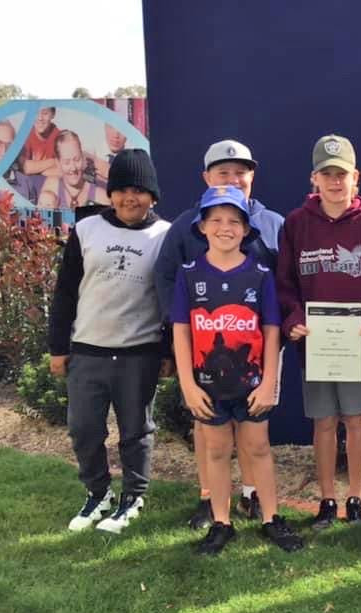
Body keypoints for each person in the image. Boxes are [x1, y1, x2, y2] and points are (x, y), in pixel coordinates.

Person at [154, 139, 284, 530]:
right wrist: (186, 326)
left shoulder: (274, 223)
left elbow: (287, 285)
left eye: (240, 171)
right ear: (206, 177)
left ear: (252, 175)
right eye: (223, 172)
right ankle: (211, 501)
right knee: (210, 428)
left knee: (255, 430)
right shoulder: (186, 225)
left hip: (258, 348)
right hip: (205, 345)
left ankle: (252, 494)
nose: (233, 178)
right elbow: (165, 276)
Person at [172, 184, 303, 555]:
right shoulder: (189, 274)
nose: (224, 227)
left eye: (234, 221)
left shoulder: (260, 275)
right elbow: (181, 332)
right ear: (202, 226)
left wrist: (269, 385)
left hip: (252, 384)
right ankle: (221, 523)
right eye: (216, 219)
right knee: (216, 450)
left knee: (258, 447)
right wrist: (187, 384)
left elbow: (272, 330)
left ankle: (272, 518)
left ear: (246, 229)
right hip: (208, 385)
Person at [48, 149, 171, 534]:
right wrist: (58, 347)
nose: (129, 198)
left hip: (139, 353)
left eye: (138, 190)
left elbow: (170, 301)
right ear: (110, 193)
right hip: (88, 351)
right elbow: (66, 293)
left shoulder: (164, 236)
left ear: (152, 195)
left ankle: (132, 496)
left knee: (136, 431)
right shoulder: (86, 230)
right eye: (120, 190)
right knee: (84, 428)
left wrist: (167, 352)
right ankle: (97, 493)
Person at [277, 135, 361, 529]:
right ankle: (327, 499)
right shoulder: (296, 225)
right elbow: (285, 283)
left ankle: (355, 497)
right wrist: (292, 320)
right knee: (324, 422)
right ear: (314, 179)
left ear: (355, 177)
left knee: (357, 419)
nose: (335, 181)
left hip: (359, 344)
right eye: (327, 174)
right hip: (317, 345)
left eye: (341, 174)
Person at [37, 131, 110, 210]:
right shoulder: (52, 186)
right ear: (58, 163)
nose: (73, 168)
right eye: (67, 162)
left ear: (83, 158)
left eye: (77, 160)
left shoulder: (101, 198)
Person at [20, 107, 62, 176]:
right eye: (35, 113)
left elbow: (64, 171)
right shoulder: (25, 134)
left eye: (45, 113)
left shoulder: (59, 137)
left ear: (53, 114)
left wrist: (36, 169)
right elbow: (25, 167)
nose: (40, 118)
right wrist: (54, 161)